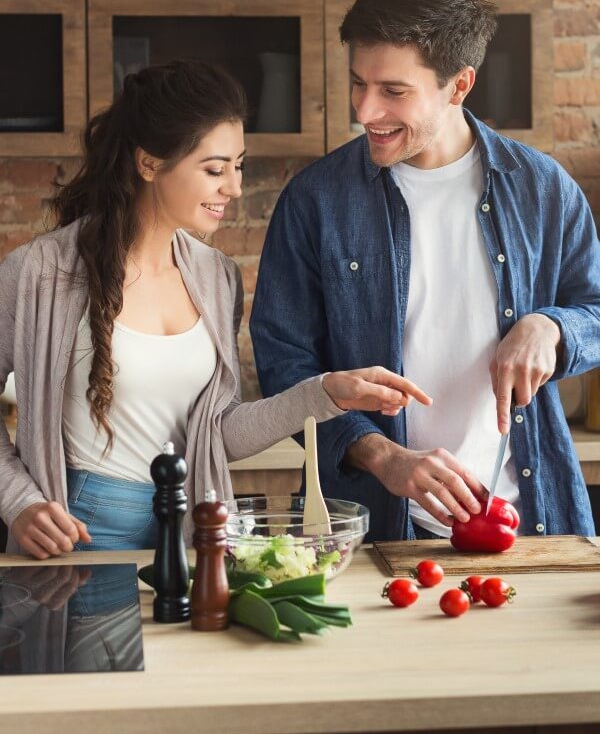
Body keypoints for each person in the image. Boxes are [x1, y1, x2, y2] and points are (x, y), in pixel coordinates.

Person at [0, 60, 431, 559]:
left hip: (196, 532)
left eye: (239, 166)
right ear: (149, 164)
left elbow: (217, 434)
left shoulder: (217, 278)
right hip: (80, 532)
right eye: (214, 169)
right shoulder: (39, 273)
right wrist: (18, 501)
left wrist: (325, 393)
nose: (234, 188)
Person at [250, 0, 600, 543]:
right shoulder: (315, 201)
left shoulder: (543, 188)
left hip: (530, 522)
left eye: (393, 91)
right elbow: (286, 367)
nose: (364, 111)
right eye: (359, 83)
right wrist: (382, 455)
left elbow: (594, 309)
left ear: (459, 85)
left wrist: (552, 328)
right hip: (380, 533)